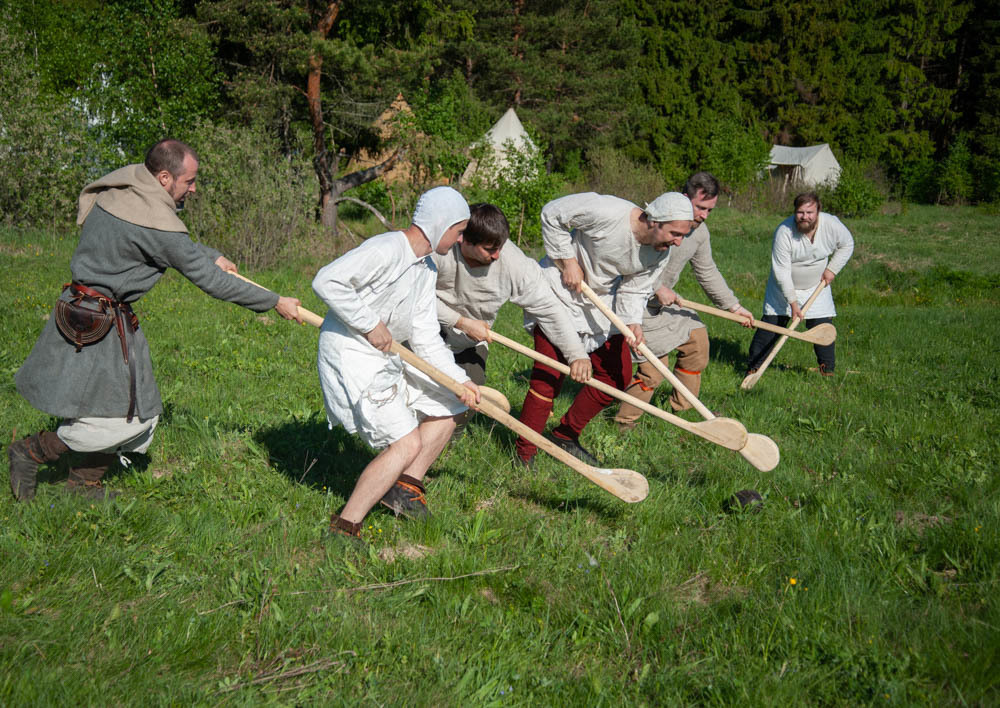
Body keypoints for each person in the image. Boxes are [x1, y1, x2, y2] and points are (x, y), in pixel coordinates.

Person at [8, 139, 303, 501]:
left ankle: (83, 486)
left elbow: (170, 246)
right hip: (100, 322)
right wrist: (275, 302)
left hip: (80, 308)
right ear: (164, 177)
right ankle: (33, 451)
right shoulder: (155, 223)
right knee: (132, 414)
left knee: (111, 404)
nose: (194, 189)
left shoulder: (125, 191)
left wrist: (212, 254)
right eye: (189, 181)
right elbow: (201, 273)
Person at [314, 186, 480, 539]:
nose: (461, 238)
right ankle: (346, 524)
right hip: (351, 354)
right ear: (440, 224)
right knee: (406, 443)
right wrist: (369, 323)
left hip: (386, 355)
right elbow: (326, 281)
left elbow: (424, 336)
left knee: (449, 408)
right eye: (459, 230)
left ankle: (403, 487)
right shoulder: (386, 248)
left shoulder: (426, 268)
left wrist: (458, 380)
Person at [514, 191, 694, 468]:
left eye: (683, 235)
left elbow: (635, 289)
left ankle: (565, 435)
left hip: (598, 306)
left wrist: (632, 322)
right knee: (548, 377)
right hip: (557, 294)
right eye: (675, 233)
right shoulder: (608, 211)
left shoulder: (660, 253)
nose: (678, 241)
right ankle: (525, 453)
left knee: (616, 376)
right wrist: (568, 261)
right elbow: (552, 213)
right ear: (655, 220)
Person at [432, 203, 591, 435]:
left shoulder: (514, 263)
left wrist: (576, 354)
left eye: (500, 247)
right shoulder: (440, 249)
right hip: (424, 328)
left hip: (468, 342)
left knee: (467, 396)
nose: (497, 255)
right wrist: (461, 321)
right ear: (463, 240)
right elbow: (415, 297)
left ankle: (442, 445)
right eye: (489, 249)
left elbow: (549, 309)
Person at [614, 172, 754, 429]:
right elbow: (626, 265)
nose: (704, 215)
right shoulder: (655, 222)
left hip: (662, 305)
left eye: (710, 210)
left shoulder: (699, 233)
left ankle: (682, 413)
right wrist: (657, 287)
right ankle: (624, 423)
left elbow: (707, 270)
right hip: (632, 303)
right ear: (683, 198)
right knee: (654, 370)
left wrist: (734, 307)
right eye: (700, 207)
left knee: (697, 342)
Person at [746, 192, 854, 376]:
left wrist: (832, 269)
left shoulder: (831, 225)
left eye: (809, 212)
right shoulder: (784, 232)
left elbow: (847, 244)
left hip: (816, 286)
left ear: (818, 210)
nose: (805, 217)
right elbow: (781, 271)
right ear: (795, 212)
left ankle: (827, 371)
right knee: (771, 327)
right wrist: (793, 303)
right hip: (783, 288)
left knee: (822, 327)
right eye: (800, 212)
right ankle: (753, 368)